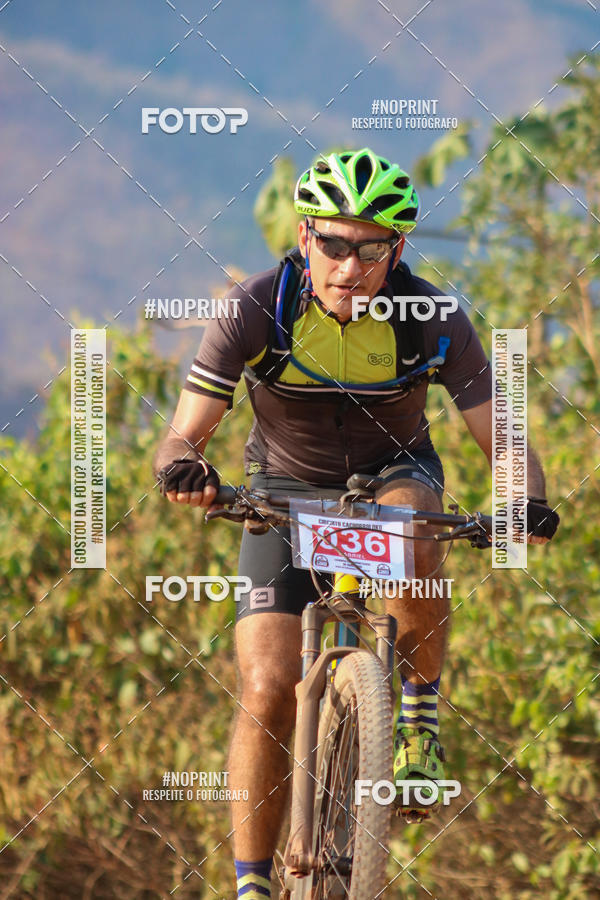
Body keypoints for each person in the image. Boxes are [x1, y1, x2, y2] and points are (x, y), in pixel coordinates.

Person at [153, 148, 559, 899]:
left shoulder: (432, 316)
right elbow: (183, 434)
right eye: (334, 243)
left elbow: (503, 440)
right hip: (282, 487)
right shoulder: (255, 308)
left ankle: (416, 718)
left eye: (371, 248)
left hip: (394, 472)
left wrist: (522, 500)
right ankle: (251, 884)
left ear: (396, 250)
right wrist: (188, 473)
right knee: (269, 687)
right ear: (305, 238)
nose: (350, 264)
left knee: (412, 527)